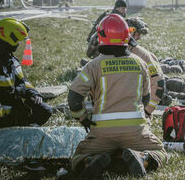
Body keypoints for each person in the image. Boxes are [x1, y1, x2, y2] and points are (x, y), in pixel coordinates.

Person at [68, 14, 166, 178]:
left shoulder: (93, 66)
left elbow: (74, 98)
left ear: (100, 36)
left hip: (102, 132)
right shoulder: (140, 63)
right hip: (135, 131)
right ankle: (143, 158)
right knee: (160, 151)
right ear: (126, 36)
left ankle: (90, 161)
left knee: (77, 157)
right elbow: (146, 98)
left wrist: (83, 119)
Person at [0, 18, 52, 129]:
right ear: (7, 37)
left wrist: (33, 93)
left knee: (44, 110)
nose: (19, 44)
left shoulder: (8, 56)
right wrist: (3, 124)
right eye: (17, 40)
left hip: (12, 107)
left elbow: (21, 80)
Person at [126, 17, 165, 117]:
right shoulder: (144, 56)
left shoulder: (144, 56)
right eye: (138, 34)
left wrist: (147, 111)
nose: (139, 38)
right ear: (129, 31)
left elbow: (158, 84)